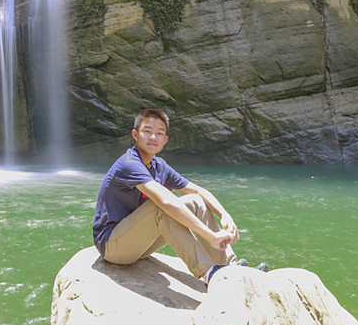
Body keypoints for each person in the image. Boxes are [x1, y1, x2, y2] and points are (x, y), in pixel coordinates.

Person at [91, 108, 268, 285]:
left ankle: (229, 266)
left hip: (140, 244)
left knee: (196, 202)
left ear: (165, 140)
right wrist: (208, 235)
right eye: (147, 132)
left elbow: (199, 192)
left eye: (159, 133)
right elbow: (166, 202)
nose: (153, 137)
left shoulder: (159, 166)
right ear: (135, 135)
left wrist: (224, 214)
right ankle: (208, 272)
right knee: (160, 206)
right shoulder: (129, 164)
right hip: (112, 245)